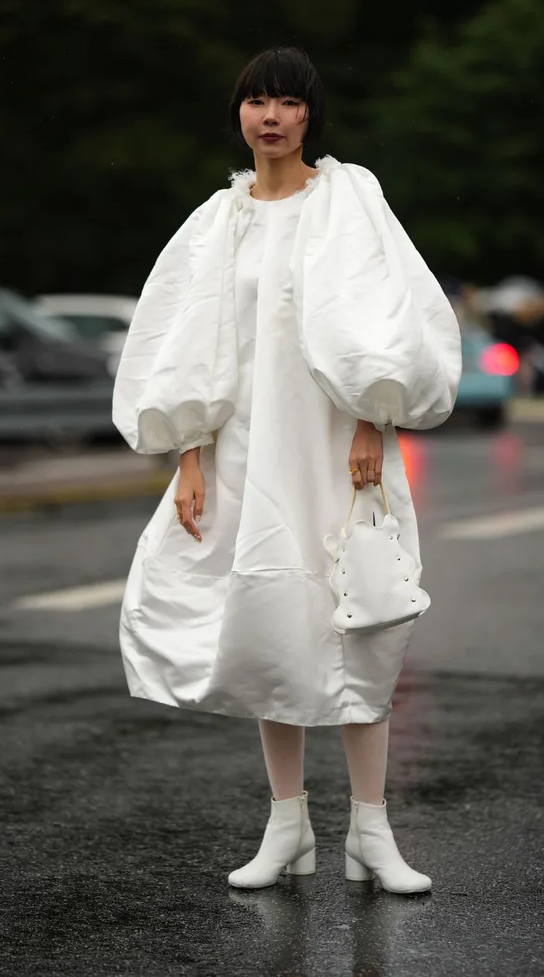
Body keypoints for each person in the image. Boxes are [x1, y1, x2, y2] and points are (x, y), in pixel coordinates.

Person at [112, 47, 461, 894]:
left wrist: (376, 418)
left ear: (311, 115)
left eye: (287, 103)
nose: (270, 116)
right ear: (239, 113)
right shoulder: (216, 221)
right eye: (256, 101)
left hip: (339, 443)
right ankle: (288, 825)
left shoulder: (348, 199)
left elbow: (388, 315)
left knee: (362, 622)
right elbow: (191, 343)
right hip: (244, 450)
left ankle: (372, 831)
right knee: (273, 622)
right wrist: (189, 455)